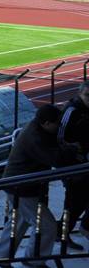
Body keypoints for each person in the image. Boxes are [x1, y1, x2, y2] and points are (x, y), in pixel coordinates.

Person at [0, 104, 62, 268]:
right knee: (47, 226)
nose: (59, 126)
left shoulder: (37, 129)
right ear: (46, 123)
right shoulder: (35, 137)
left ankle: (1, 257)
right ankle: (33, 261)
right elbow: (56, 159)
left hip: (17, 185)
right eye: (57, 123)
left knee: (18, 222)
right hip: (22, 188)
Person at [58, 82, 89, 244]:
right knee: (74, 200)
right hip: (71, 164)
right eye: (87, 96)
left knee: (80, 199)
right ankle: (63, 233)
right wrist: (75, 151)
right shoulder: (71, 111)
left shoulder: (83, 110)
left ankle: (72, 229)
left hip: (83, 161)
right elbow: (60, 138)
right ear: (80, 95)